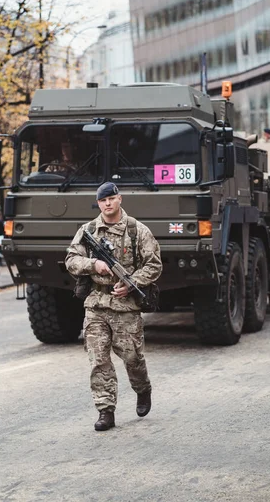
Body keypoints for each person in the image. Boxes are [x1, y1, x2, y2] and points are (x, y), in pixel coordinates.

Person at [65, 182, 163, 432]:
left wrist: (132, 284)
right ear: (98, 204)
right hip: (96, 304)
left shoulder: (136, 230)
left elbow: (154, 265)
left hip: (126, 307)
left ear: (119, 199)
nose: (107, 203)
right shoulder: (88, 231)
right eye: (102, 200)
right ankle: (105, 410)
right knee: (98, 359)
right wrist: (93, 265)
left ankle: (143, 389)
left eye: (111, 198)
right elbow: (71, 260)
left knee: (132, 357)